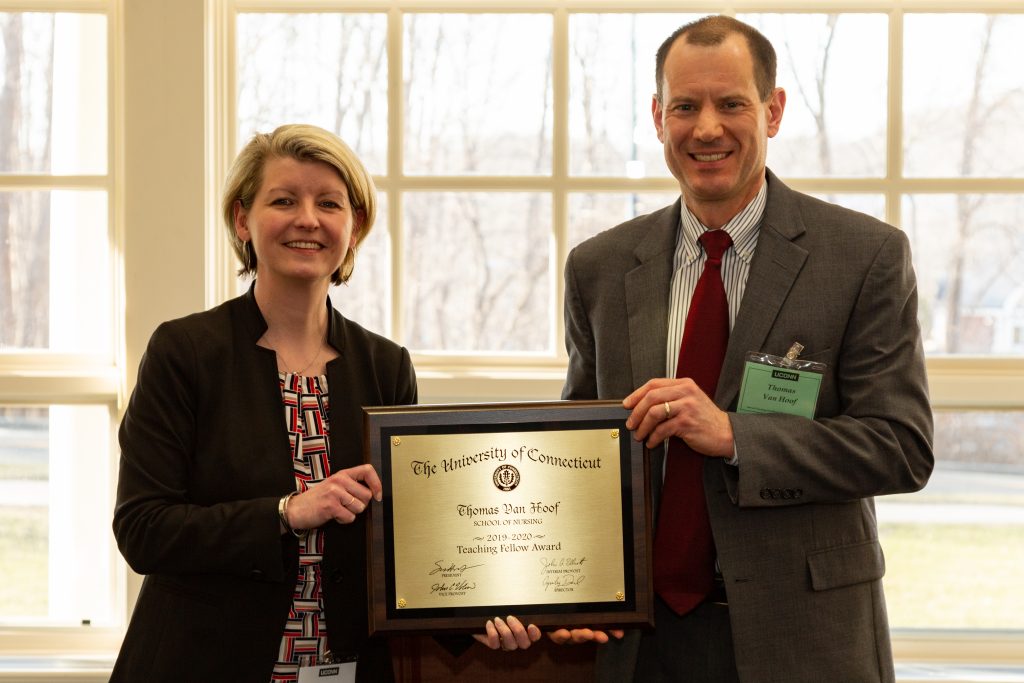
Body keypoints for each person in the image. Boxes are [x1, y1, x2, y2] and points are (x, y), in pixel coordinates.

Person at [541, 15, 934, 682]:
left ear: (773, 110)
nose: (706, 129)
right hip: (641, 642)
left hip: (803, 636)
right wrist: (555, 583)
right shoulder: (599, 267)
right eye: (686, 107)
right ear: (658, 115)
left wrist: (734, 435)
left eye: (731, 104)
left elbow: (901, 445)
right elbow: (587, 454)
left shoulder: (863, 257)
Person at [111, 124, 417, 681]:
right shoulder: (184, 352)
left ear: (355, 226)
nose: (308, 218)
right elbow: (143, 529)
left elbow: (406, 542)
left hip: (349, 668)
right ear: (241, 219)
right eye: (284, 200)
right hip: (201, 664)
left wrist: (491, 610)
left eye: (329, 203)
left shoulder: (386, 366)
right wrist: (286, 512)